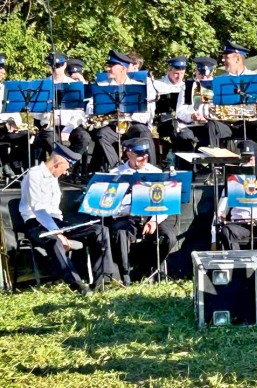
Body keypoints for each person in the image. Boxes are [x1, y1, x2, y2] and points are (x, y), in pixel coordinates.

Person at [19, 144, 119, 295]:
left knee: (99, 230)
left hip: (55, 222)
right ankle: (77, 285)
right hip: (36, 222)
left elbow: (53, 212)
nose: (66, 172)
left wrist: (60, 229)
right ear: (58, 163)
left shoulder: (53, 177)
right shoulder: (34, 175)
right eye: (66, 168)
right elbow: (38, 209)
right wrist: (58, 233)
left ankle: (102, 281)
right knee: (54, 240)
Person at [108, 138, 178, 285]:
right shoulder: (115, 174)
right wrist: (131, 209)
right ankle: (125, 276)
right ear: (129, 154)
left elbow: (164, 203)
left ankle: (147, 269)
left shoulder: (156, 172)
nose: (144, 157)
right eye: (140, 154)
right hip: (127, 217)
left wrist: (154, 220)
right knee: (120, 233)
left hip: (150, 216)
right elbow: (112, 207)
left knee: (169, 237)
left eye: (146, 154)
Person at [88, 50, 156, 172]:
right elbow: (89, 107)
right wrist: (104, 109)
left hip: (132, 124)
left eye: (111, 66)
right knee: (102, 135)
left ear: (123, 68)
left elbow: (147, 116)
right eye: (108, 66)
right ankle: (117, 169)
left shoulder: (138, 87)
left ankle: (150, 169)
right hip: (112, 124)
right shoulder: (101, 86)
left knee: (144, 132)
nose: (108, 68)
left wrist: (128, 113)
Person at [213, 140, 257, 250]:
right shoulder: (233, 180)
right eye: (245, 160)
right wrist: (213, 240)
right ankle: (237, 265)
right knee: (227, 230)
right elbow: (220, 213)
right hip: (241, 225)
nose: (247, 163)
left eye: (251, 159)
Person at [33, 52, 88, 166]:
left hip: (70, 125)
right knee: (51, 140)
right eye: (53, 66)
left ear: (64, 65)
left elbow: (80, 112)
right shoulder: (42, 85)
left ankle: (68, 165)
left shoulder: (74, 85)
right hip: (50, 126)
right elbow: (35, 113)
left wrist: (69, 128)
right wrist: (46, 112)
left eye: (58, 66)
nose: (56, 69)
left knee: (84, 138)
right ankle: (62, 167)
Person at [175, 56, 234, 152]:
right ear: (196, 71)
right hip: (193, 125)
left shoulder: (220, 86)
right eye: (201, 75)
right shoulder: (187, 87)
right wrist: (191, 116)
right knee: (184, 136)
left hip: (216, 125)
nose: (204, 78)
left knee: (211, 127)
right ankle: (188, 166)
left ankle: (214, 163)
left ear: (212, 73)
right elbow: (180, 111)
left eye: (207, 76)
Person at [220, 41, 257, 143]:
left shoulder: (255, 78)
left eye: (227, 57)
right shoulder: (220, 80)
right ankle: (214, 158)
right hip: (227, 124)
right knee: (211, 126)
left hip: (250, 123)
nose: (223, 60)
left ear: (238, 59)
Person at [0, 53, 28, 177]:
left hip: (9, 127)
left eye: (3, 68)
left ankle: (11, 163)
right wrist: (5, 121)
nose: (2, 71)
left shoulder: (5, 88)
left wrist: (14, 122)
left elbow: (14, 110)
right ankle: (6, 164)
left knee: (29, 137)